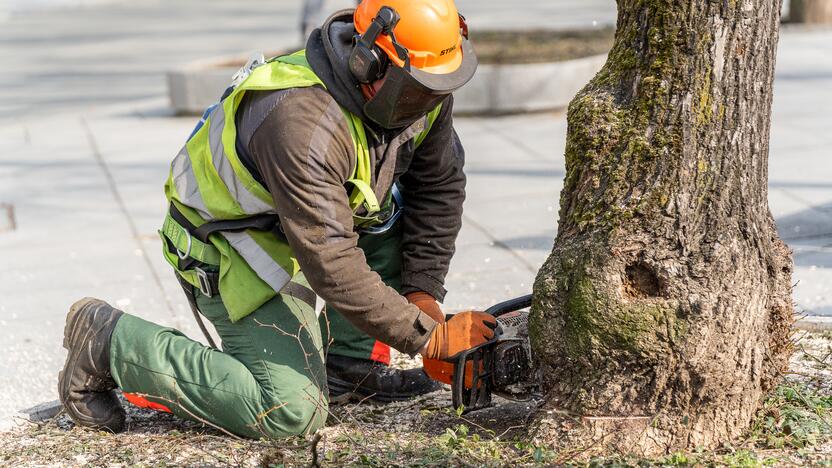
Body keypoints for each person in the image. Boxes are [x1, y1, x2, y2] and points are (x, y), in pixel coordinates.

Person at [58, 0, 497, 439]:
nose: (429, 102)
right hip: (232, 247)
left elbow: (438, 188)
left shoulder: (418, 92)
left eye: (438, 87)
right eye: (417, 90)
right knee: (290, 413)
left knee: (395, 209)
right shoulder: (302, 123)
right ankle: (109, 341)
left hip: (308, 225)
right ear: (369, 62)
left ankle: (349, 363)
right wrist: (427, 337)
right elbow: (332, 263)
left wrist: (422, 296)